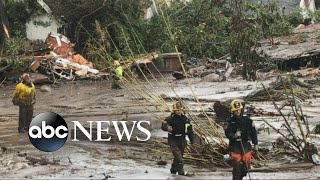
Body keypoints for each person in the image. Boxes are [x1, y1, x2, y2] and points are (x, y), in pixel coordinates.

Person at [224, 99, 258, 180]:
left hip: (246, 145)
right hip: (235, 146)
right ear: (232, 111)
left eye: (238, 110)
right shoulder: (229, 121)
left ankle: (240, 177)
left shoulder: (247, 120)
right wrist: (234, 135)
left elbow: (254, 132)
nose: (237, 111)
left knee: (247, 167)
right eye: (235, 110)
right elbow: (227, 133)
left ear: (241, 109)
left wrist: (256, 144)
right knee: (237, 168)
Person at [161, 101, 194, 175]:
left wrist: (192, 142)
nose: (179, 112)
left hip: (182, 141)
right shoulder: (170, 119)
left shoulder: (185, 119)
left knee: (178, 157)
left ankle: (173, 169)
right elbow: (163, 126)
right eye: (177, 110)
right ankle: (181, 173)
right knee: (180, 159)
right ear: (174, 111)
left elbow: (189, 131)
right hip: (173, 141)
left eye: (180, 110)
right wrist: (167, 128)